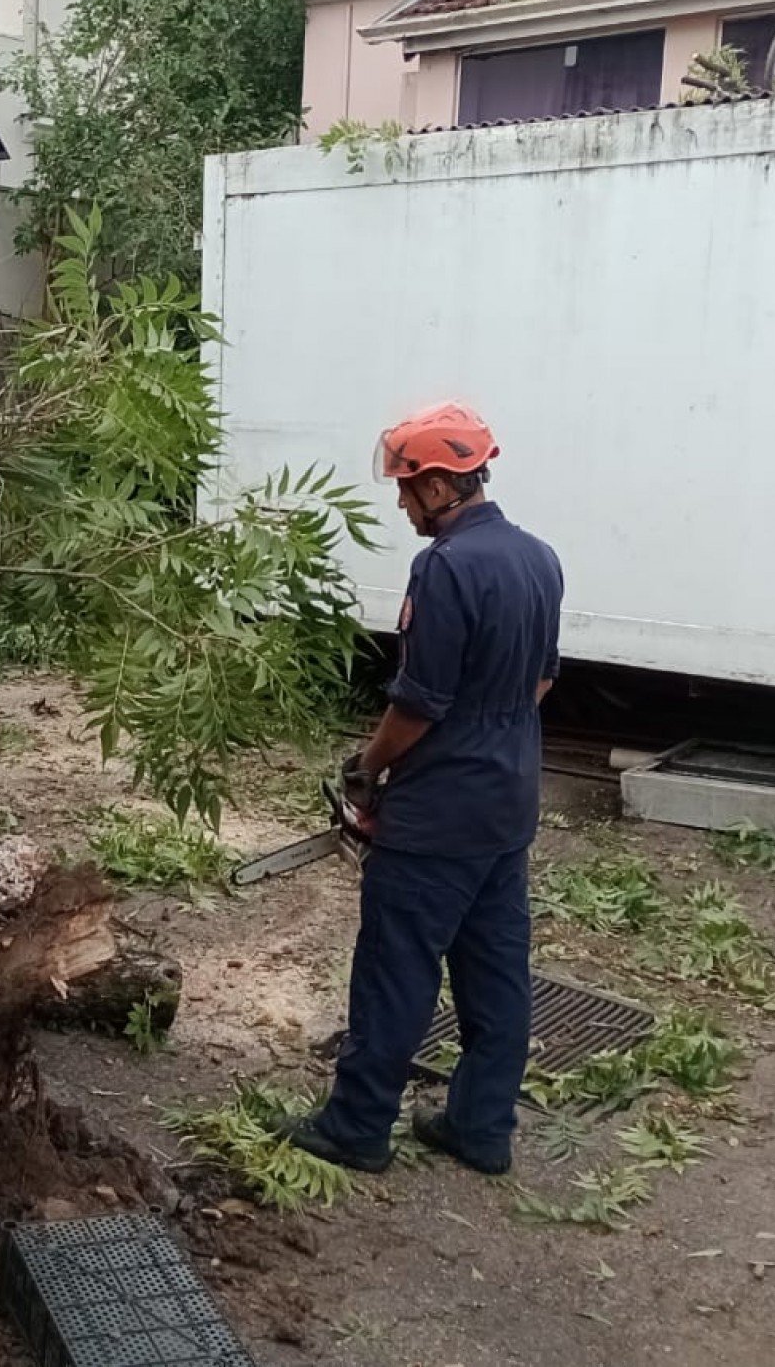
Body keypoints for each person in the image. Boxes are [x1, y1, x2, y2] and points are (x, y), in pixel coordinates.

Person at [285, 401, 563, 1176]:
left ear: (442, 487)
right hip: (508, 803)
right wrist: (491, 733)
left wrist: (370, 768)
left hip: (438, 813)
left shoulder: (443, 568)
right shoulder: (540, 557)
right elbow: (541, 678)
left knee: (396, 969)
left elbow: (419, 701)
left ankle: (358, 1125)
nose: (402, 503)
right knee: (496, 975)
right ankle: (481, 1126)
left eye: (408, 489)